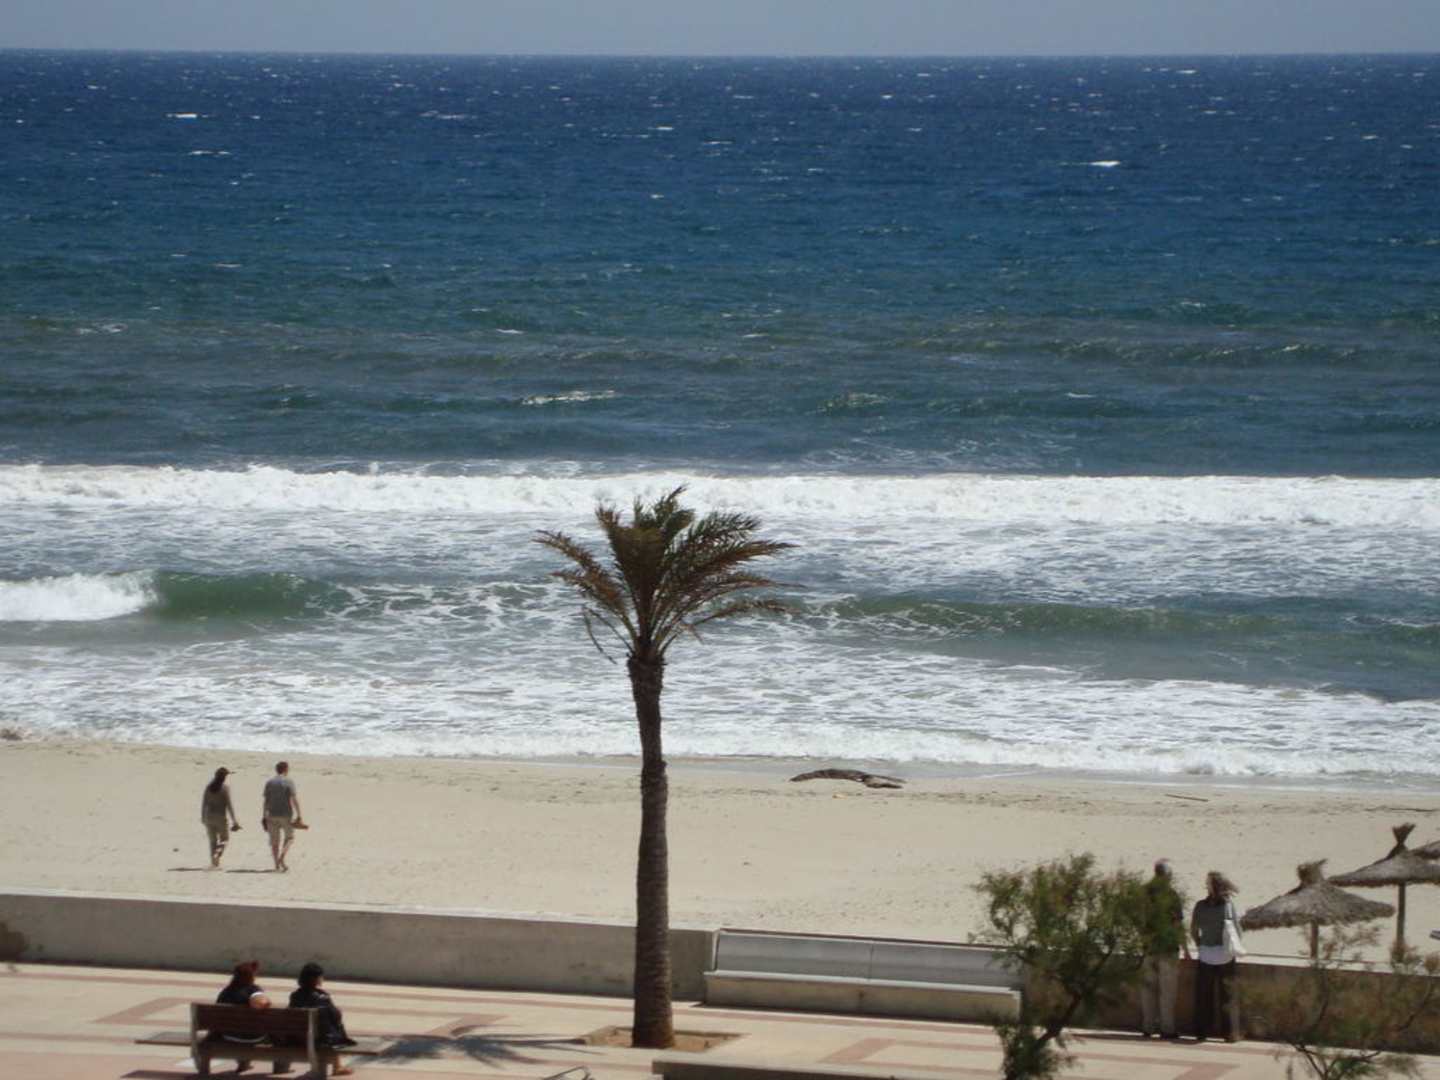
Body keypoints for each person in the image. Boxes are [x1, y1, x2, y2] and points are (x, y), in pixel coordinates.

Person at [1138, 858, 1190, 1039]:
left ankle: (1147, 1027)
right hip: (1167, 949)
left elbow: (1139, 920)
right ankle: (1167, 1029)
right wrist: (1186, 948)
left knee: (1148, 991)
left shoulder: (1143, 893)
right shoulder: (1171, 895)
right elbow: (1177, 925)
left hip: (1149, 948)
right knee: (1167, 993)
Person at [1191, 870, 1243, 1043]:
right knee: (1227, 995)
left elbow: (1193, 930)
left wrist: (1200, 944)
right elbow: (1237, 931)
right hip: (1225, 954)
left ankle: (1202, 1031)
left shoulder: (1200, 906)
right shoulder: (1228, 906)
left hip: (1206, 954)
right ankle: (1229, 1033)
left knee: (1203, 996)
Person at [289, 962, 355, 1076]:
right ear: (316, 979)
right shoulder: (322, 997)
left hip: (297, 1038)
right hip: (318, 1040)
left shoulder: (295, 996)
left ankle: (337, 1066)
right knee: (335, 1028)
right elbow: (336, 1016)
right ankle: (337, 1066)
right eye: (321, 976)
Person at [262, 761, 304, 872]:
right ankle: (282, 857)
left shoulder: (269, 782)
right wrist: (299, 815)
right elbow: (294, 799)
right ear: (286, 769)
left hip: (271, 814)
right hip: (286, 814)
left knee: (274, 842)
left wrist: (264, 816)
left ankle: (276, 865)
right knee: (290, 838)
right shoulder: (289, 781)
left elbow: (266, 801)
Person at [201, 767, 243, 868]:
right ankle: (217, 853)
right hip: (220, 817)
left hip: (208, 816)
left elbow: (204, 803)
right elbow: (229, 805)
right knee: (225, 839)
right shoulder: (225, 788)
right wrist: (234, 821)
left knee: (212, 841)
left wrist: (203, 817)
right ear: (224, 777)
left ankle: (214, 863)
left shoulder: (208, 787)